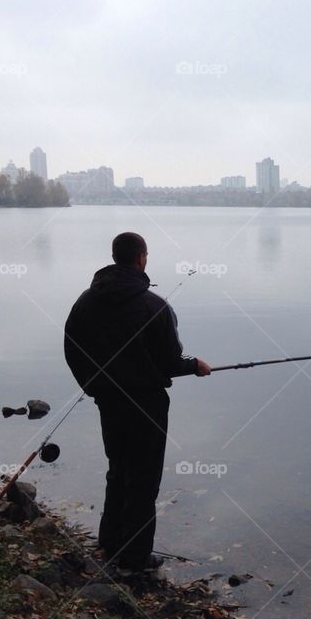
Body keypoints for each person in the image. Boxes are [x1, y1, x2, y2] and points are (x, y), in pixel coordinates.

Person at [64, 232, 211, 572]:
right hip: (147, 403)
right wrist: (195, 365)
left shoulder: (86, 301)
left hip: (109, 401)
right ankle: (135, 557)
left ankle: (110, 541)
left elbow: (72, 348)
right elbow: (170, 362)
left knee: (118, 469)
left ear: (115, 256)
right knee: (143, 478)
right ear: (142, 258)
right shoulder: (154, 306)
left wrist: (92, 385)